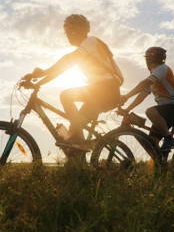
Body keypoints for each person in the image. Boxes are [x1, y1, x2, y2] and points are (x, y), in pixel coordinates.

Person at [26, 14, 124, 151]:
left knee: (66, 96)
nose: (68, 36)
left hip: (106, 89)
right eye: (66, 33)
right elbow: (62, 69)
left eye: (71, 31)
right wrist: (39, 83)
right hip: (100, 93)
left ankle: (78, 141)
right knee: (74, 127)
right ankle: (78, 155)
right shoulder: (85, 49)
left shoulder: (90, 42)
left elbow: (67, 61)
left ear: (81, 31)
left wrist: (43, 72)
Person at [120, 47, 174, 150]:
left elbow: (144, 84)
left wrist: (126, 96)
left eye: (147, 59)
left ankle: (169, 139)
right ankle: (160, 164)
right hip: (166, 112)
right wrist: (127, 110)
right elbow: (141, 96)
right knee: (151, 144)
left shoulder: (162, 69)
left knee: (150, 111)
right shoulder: (155, 75)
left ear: (148, 60)